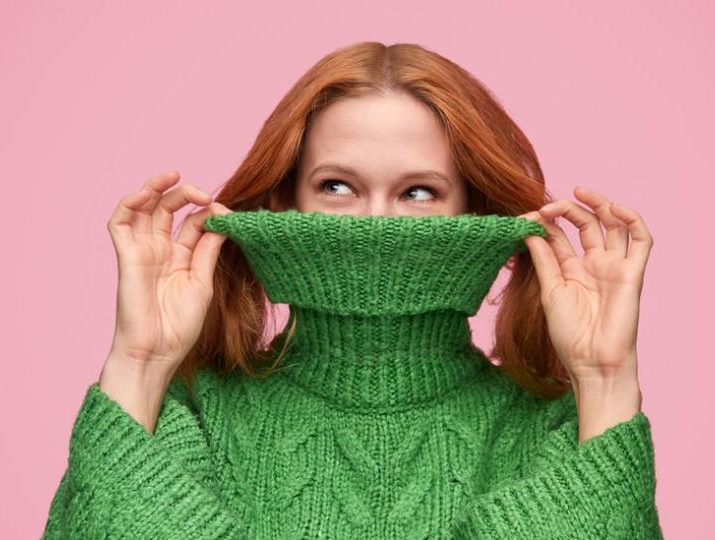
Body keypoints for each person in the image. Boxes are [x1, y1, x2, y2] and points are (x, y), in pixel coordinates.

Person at [42, 41, 662, 538]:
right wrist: (140, 363)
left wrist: (607, 383)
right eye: (337, 186)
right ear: (285, 199)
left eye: (419, 192)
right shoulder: (191, 415)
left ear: (475, 209)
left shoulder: (560, 430)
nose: (375, 224)